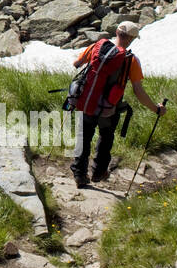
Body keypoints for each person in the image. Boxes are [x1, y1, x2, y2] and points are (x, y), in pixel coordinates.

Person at [69, 20, 163, 188]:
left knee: (84, 137)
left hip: (87, 102)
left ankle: (79, 174)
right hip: (109, 108)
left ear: (117, 33)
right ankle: (99, 172)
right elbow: (138, 91)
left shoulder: (97, 47)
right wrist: (156, 109)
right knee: (106, 138)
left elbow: (76, 64)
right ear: (132, 39)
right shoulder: (130, 60)